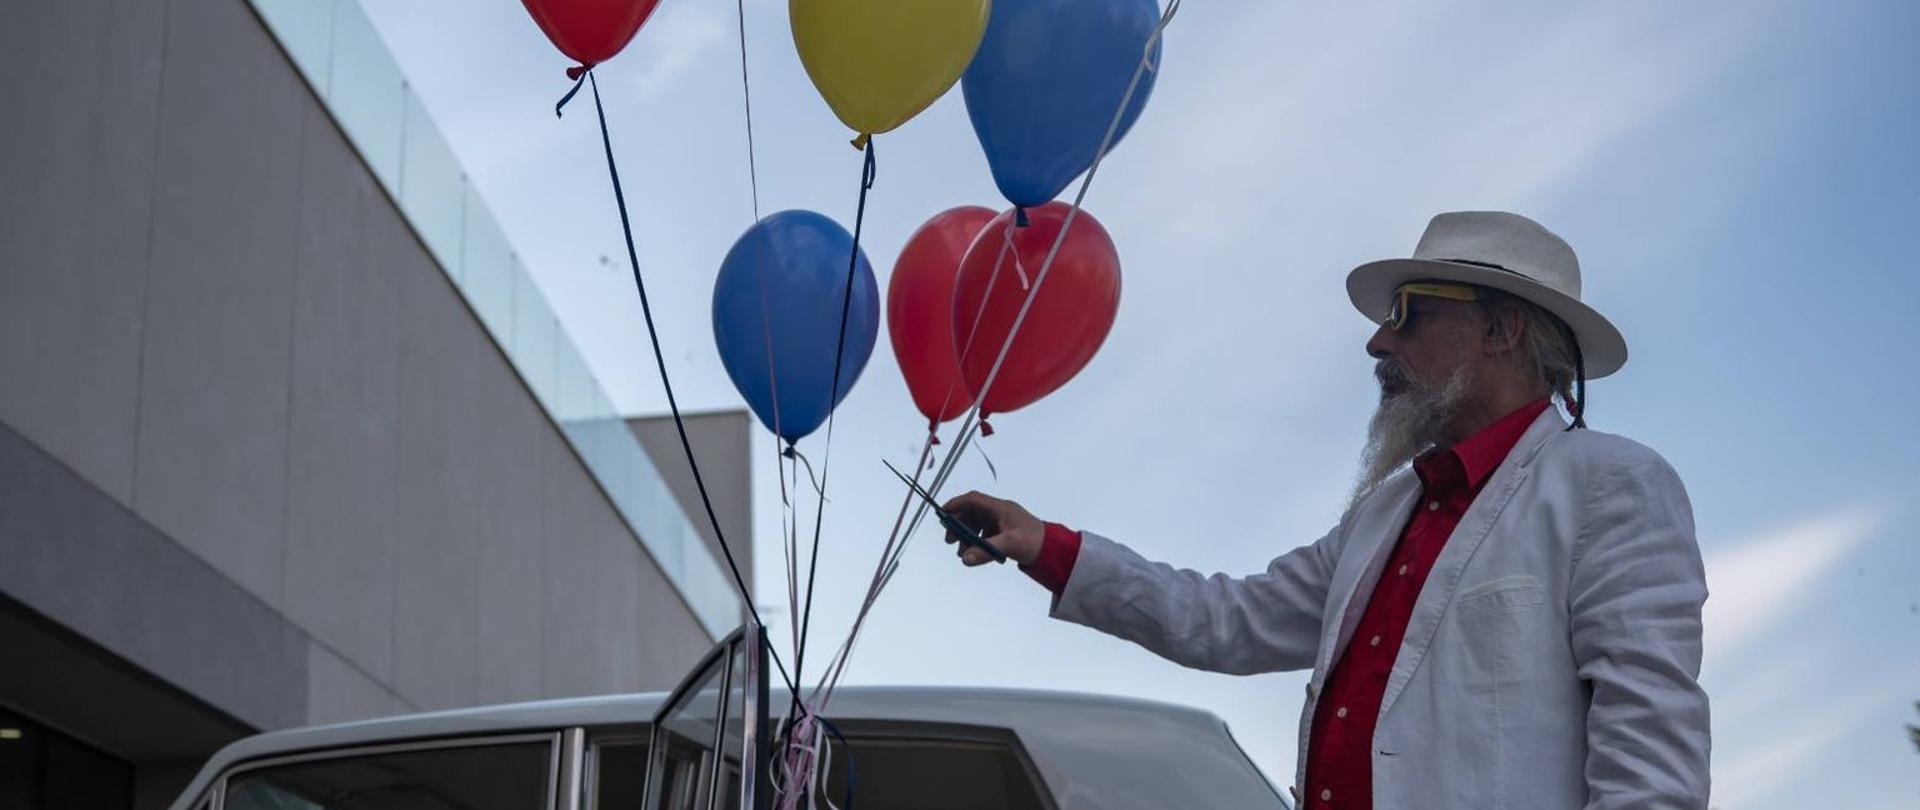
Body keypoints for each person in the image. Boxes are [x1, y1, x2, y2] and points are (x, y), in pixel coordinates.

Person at [943, 211, 1711, 809]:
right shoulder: (1384, 518)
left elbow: (1650, 755)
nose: (1377, 341)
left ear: (1503, 328)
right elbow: (1228, 619)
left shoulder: (1610, 484)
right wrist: (1043, 544)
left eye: (1407, 311)